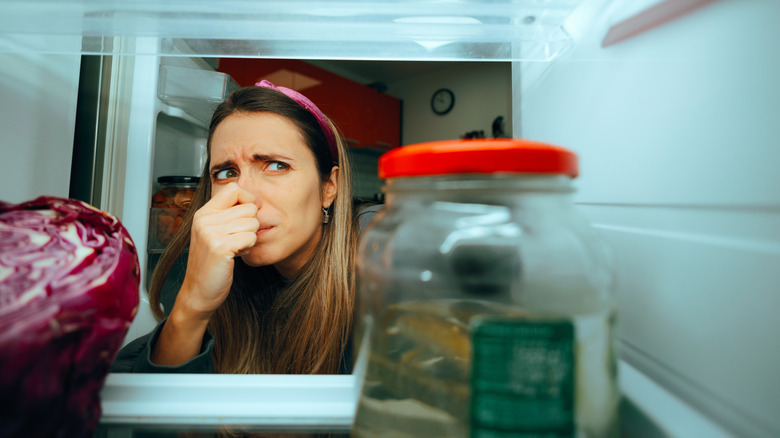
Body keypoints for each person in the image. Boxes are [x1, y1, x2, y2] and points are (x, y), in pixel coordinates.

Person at [113, 80, 378, 375]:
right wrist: (193, 305)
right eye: (227, 172)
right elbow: (137, 394)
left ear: (329, 187)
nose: (245, 197)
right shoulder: (219, 267)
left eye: (276, 166)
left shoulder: (384, 251)